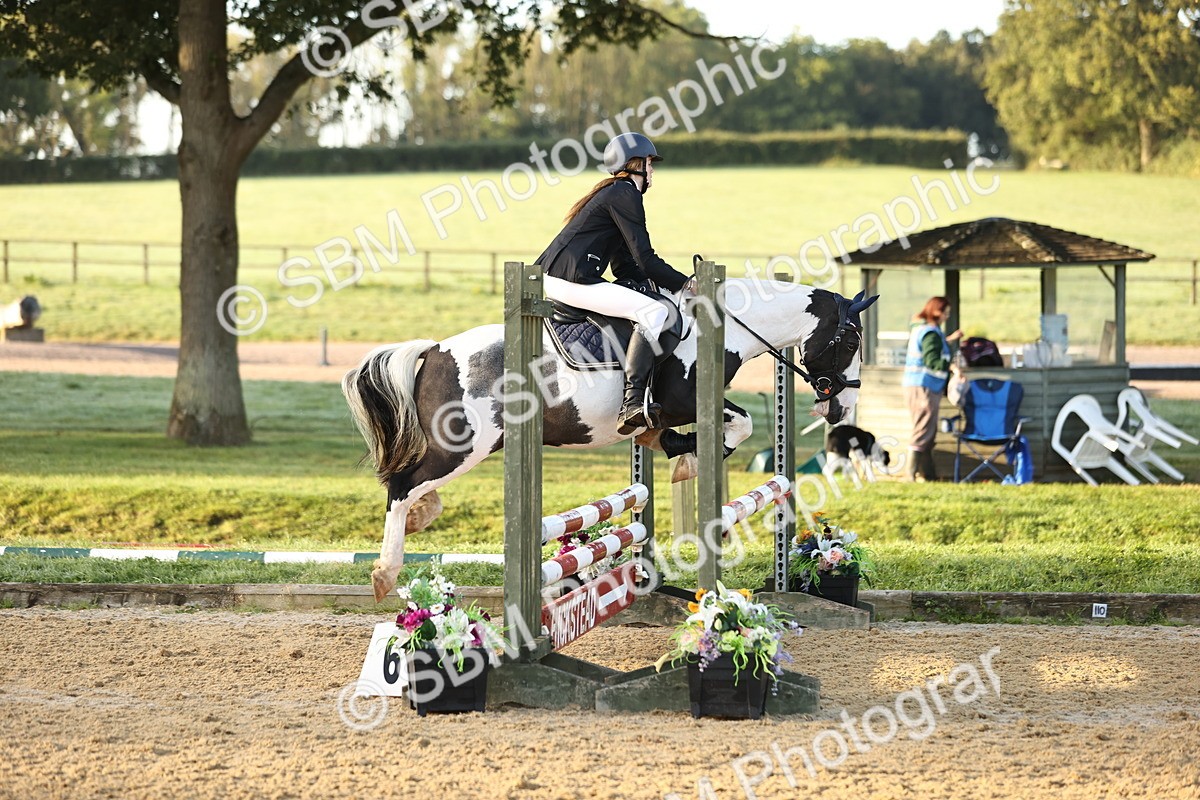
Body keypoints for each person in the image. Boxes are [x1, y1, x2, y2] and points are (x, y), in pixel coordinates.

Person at [536, 132, 691, 434]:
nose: (652, 171)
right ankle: (633, 401)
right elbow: (646, 258)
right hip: (572, 281)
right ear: (635, 165)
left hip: (567, 277)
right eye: (649, 163)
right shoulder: (624, 194)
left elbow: (626, 264)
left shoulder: (615, 194)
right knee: (655, 313)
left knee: (648, 301)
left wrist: (651, 285)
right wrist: (685, 283)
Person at [902, 296, 962, 481]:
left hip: (920, 386)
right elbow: (933, 360)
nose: (947, 317)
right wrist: (953, 367)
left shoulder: (924, 329)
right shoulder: (930, 333)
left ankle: (928, 475)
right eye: (946, 313)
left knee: (928, 431)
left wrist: (951, 339)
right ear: (937, 312)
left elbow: (935, 346)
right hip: (924, 387)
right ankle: (910, 475)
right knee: (923, 429)